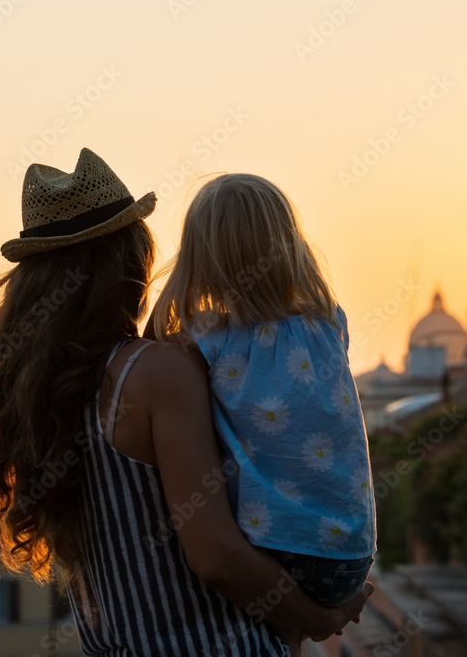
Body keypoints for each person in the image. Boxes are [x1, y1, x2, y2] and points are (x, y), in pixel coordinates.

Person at [0, 148, 372, 656]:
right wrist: (320, 618)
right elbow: (216, 556)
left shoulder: (39, 398)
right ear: (130, 261)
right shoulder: (155, 372)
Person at [150, 173, 377, 649]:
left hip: (276, 547)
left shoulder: (206, 342)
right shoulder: (328, 322)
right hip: (351, 555)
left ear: (200, 261)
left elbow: (153, 342)